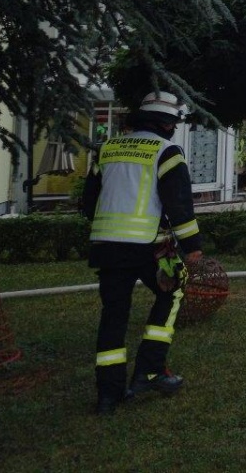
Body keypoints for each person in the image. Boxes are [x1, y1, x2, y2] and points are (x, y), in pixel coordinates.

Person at [81, 91, 204, 415]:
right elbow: (180, 207)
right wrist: (193, 249)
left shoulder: (107, 149)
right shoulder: (166, 152)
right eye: (174, 123)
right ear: (165, 123)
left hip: (106, 247)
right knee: (174, 289)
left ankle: (108, 395)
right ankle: (150, 370)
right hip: (149, 246)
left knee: (113, 316)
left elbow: (87, 203)